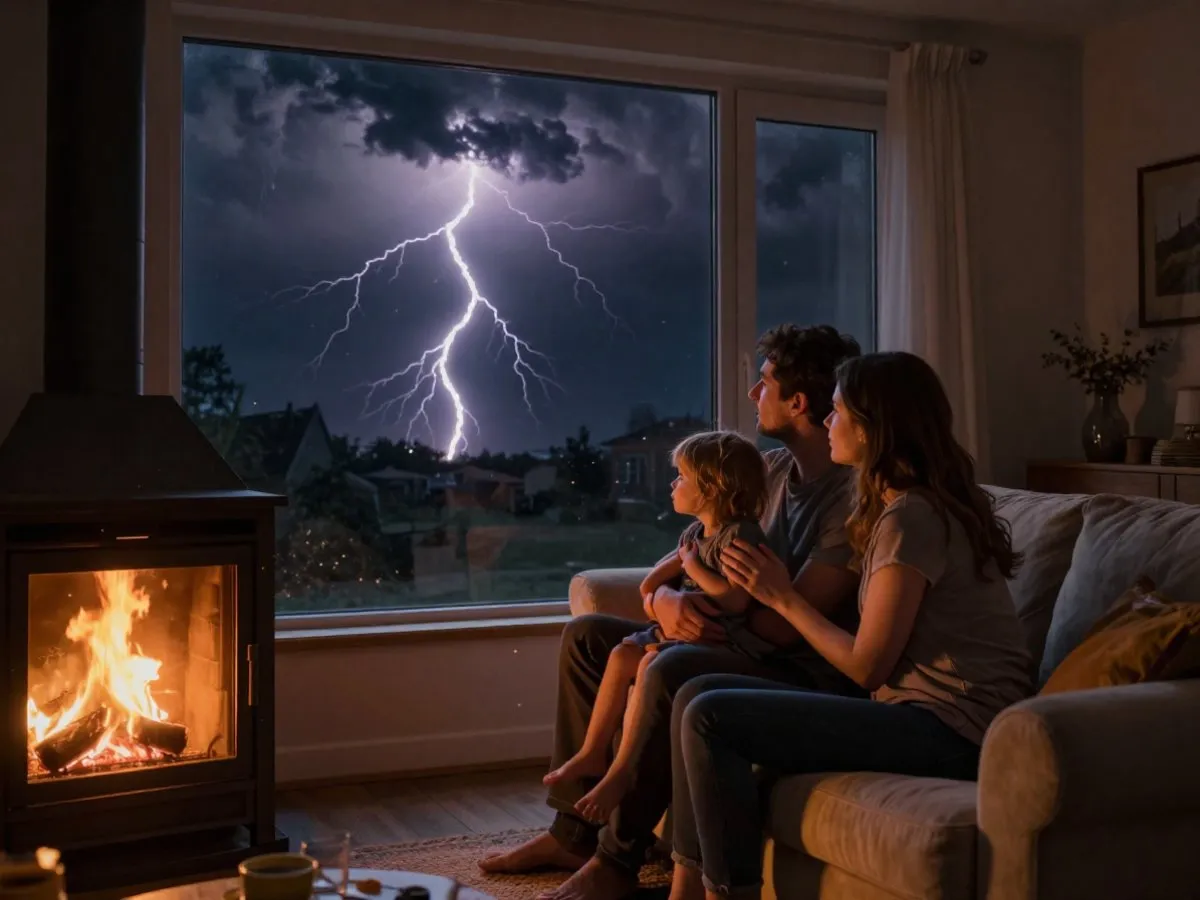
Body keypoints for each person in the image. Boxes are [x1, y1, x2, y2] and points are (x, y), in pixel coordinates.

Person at [479, 324, 864, 900]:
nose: (755, 396)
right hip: (730, 628)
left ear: (798, 402)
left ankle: (615, 862)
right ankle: (572, 833)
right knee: (590, 638)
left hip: (793, 666)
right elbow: (698, 540)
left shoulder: (851, 501)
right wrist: (667, 599)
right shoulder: (774, 471)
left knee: (670, 664)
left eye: (764, 384)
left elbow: (784, 627)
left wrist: (695, 622)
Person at [666, 351, 1034, 900]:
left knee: (710, 715)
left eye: (837, 412)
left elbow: (867, 666)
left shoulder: (913, 516)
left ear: (873, 427)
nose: (827, 421)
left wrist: (783, 598)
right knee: (696, 688)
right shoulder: (896, 508)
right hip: (920, 714)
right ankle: (686, 885)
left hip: (956, 730)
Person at [545, 430, 781, 825]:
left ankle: (622, 772)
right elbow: (648, 586)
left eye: (682, 478)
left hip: (723, 640)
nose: (673, 484)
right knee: (621, 654)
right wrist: (671, 576)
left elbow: (736, 600)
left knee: (648, 664)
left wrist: (691, 570)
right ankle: (592, 752)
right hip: (677, 631)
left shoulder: (741, 535)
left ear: (712, 488)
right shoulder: (694, 535)